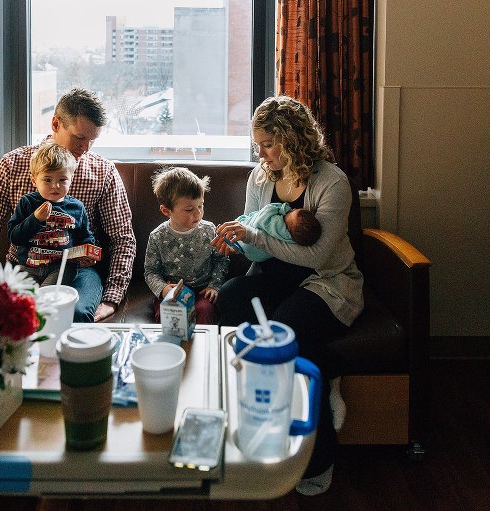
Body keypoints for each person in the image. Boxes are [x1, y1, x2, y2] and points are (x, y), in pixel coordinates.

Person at [212, 96, 363, 496]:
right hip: (273, 275)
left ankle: (318, 457)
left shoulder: (332, 182)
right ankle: (273, 402)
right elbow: (253, 235)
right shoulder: (260, 178)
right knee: (228, 299)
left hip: (324, 281)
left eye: (266, 144)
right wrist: (236, 242)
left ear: (292, 140)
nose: (259, 153)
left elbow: (318, 254)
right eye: (257, 144)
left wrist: (254, 236)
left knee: (284, 332)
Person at [0, 88, 137, 322]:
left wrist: (111, 298)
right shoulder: (12, 165)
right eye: (79, 137)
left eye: (92, 140)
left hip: (77, 271)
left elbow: (123, 238)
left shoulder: (103, 171)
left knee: (73, 314)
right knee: (13, 316)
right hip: (24, 267)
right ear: (56, 124)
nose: (85, 148)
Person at [144, 167, 229, 325]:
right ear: (166, 210)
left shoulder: (209, 230)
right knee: (169, 315)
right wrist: (164, 290)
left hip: (203, 291)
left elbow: (221, 260)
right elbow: (151, 272)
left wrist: (214, 286)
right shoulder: (157, 236)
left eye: (200, 206)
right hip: (173, 292)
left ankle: (203, 348)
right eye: (189, 209)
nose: (197, 213)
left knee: (205, 311)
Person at [7, 141, 96, 287]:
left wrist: (88, 253)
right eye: (48, 180)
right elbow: (14, 237)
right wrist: (35, 219)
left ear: (71, 180)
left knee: (46, 300)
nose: (55, 186)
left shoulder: (77, 207)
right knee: (24, 303)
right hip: (27, 268)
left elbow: (85, 237)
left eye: (62, 180)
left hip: (61, 268)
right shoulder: (27, 203)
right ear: (34, 180)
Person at [232, 202, 321, 261]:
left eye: (291, 212)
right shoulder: (294, 240)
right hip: (253, 256)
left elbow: (264, 214)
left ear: (288, 228)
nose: (292, 209)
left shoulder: (276, 225)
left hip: (246, 243)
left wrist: (282, 208)